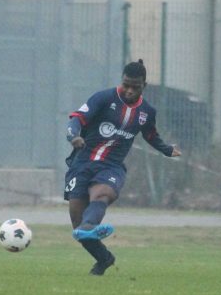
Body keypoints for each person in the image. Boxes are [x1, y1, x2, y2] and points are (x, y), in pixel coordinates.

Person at [64, 59, 181, 276]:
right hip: (82, 163)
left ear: (143, 85)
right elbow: (77, 118)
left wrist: (166, 149)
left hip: (111, 167)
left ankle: (90, 227)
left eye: (134, 86)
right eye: (126, 84)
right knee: (77, 228)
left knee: (103, 193)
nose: (128, 90)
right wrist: (73, 136)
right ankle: (104, 258)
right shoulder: (103, 98)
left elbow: (151, 135)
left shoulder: (147, 112)